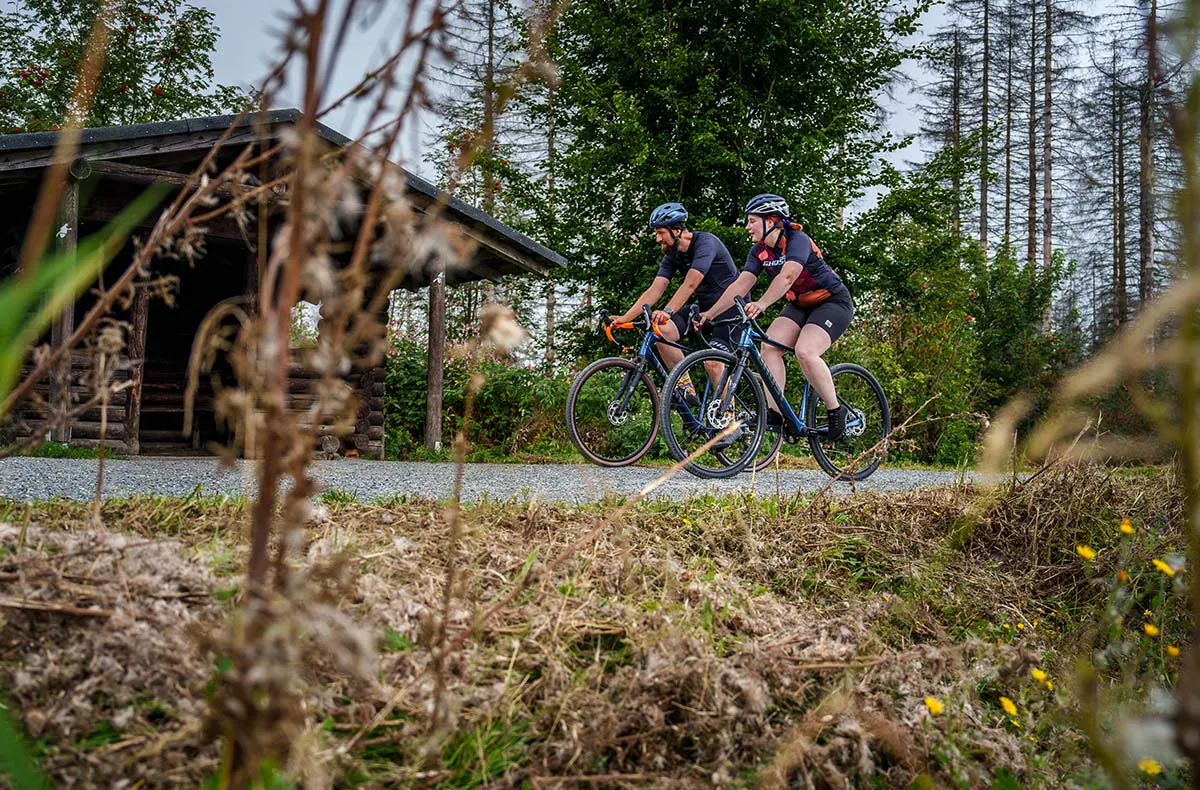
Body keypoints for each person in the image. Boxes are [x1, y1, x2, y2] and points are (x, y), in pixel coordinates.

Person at [698, 193, 853, 439]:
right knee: (769, 347)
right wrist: (710, 313)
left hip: (831, 302)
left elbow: (787, 277)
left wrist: (762, 304)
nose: (747, 226)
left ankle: (836, 411)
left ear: (771, 220)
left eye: (752, 221)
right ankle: (776, 413)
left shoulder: (797, 240)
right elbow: (741, 284)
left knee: (805, 351)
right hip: (800, 305)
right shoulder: (759, 251)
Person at [608, 202, 742, 387]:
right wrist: (625, 318)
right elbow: (656, 288)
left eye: (660, 233)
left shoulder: (706, 243)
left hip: (731, 309)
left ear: (677, 231)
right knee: (661, 331)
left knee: (712, 362)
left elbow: (691, 283)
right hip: (704, 308)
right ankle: (685, 390)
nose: (657, 239)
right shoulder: (672, 254)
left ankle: (727, 406)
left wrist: (668, 311)